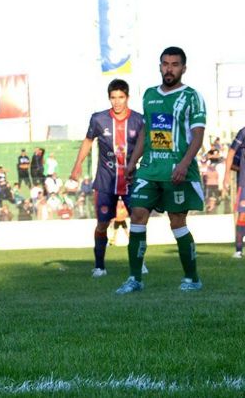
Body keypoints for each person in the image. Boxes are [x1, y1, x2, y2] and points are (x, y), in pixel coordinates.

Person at [116, 47, 206, 294]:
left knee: (177, 222)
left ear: (183, 68)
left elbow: (198, 136)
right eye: (165, 63)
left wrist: (185, 164)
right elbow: (146, 131)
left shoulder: (191, 97)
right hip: (150, 169)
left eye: (175, 64)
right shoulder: (149, 95)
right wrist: (134, 161)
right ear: (160, 66)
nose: (169, 68)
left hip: (177, 170)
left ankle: (192, 278)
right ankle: (135, 279)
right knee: (137, 215)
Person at [69, 79, 144, 278]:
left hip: (131, 180)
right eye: (113, 97)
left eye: (121, 97)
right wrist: (76, 166)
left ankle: (139, 262)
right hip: (105, 180)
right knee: (102, 224)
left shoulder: (139, 120)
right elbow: (87, 141)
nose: (117, 102)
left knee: (138, 221)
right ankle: (100, 266)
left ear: (127, 97)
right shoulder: (98, 119)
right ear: (109, 98)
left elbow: (145, 146)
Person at [222, 125, 245, 258]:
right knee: (242, 217)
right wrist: (226, 176)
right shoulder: (243, 132)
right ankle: (238, 250)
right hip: (244, 183)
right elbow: (231, 153)